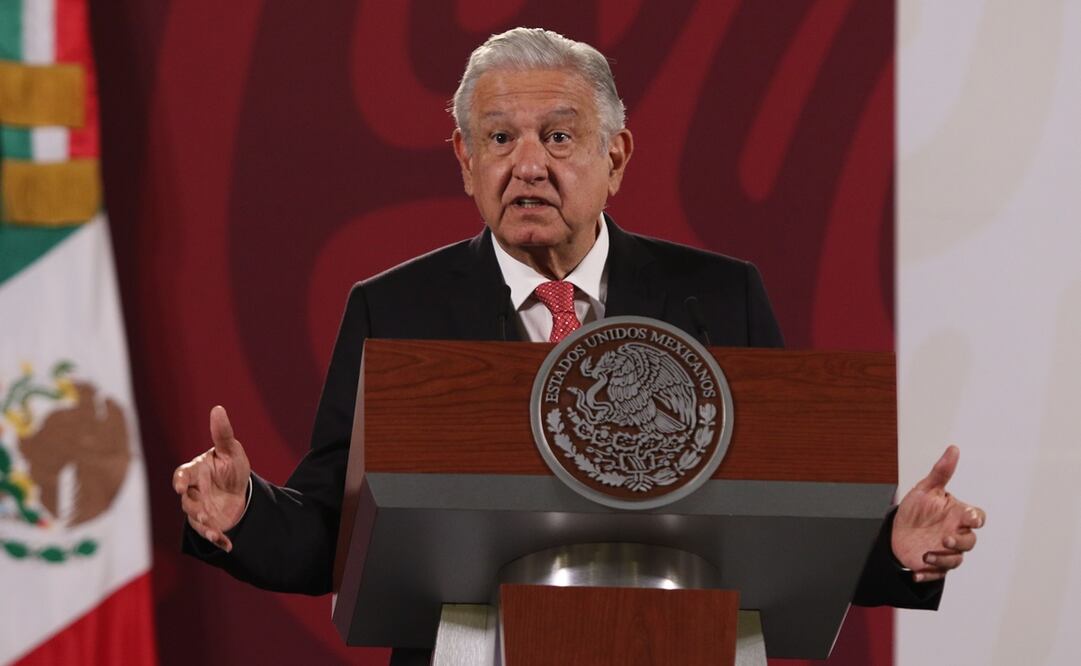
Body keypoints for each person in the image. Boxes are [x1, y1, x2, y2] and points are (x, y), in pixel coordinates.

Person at [175, 25, 984, 620]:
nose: (527, 164)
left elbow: (784, 511)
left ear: (617, 156)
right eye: (499, 139)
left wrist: (893, 552)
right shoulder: (395, 310)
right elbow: (332, 534)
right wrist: (245, 512)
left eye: (558, 136)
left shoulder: (719, 297)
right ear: (464, 160)